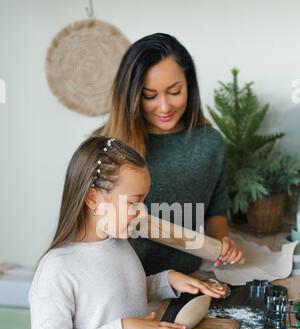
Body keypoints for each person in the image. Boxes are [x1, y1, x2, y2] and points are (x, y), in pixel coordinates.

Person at [29, 136, 227, 329]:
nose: (141, 211)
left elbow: (113, 294)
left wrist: (166, 280)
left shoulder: (118, 244)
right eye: (133, 202)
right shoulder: (57, 268)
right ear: (93, 199)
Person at [95, 33, 244, 275]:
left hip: (190, 277)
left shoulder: (210, 143)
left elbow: (216, 209)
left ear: (189, 85)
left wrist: (223, 242)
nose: (164, 107)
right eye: (149, 96)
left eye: (175, 91)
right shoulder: (106, 149)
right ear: (131, 95)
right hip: (125, 284)